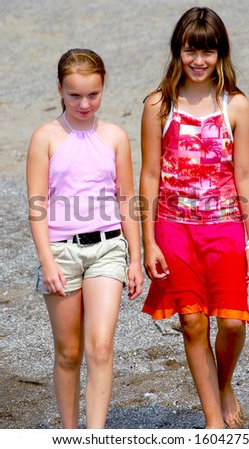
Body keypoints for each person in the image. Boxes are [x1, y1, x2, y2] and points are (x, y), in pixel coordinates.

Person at [139, 7, 249, 429]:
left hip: (226, 228)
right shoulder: (160, 105)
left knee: (231, 322)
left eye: (207, 51)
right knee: (193, 322)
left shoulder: (237, 105)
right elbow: (150, 174)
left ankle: (223, 384)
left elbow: (245, 174)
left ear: (220, 54)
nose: (198, 60)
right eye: (191, 50)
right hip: (174, 229)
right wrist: (148, 242)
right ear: (178, 51)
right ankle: (213, 422)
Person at [26, 48, 144, 429]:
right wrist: (47, 262)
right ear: (59, 89)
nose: (84, 103)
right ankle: (69, 432)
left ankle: (95, 436)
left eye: (93, 94)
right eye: (75, 94)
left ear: (103, 87)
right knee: (68, 351)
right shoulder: (44, 137)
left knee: (101, 346)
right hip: (60, 251)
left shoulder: (115, 136)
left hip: (108, 249)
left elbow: (127, 200)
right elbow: (37, 206)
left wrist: (135, 258)